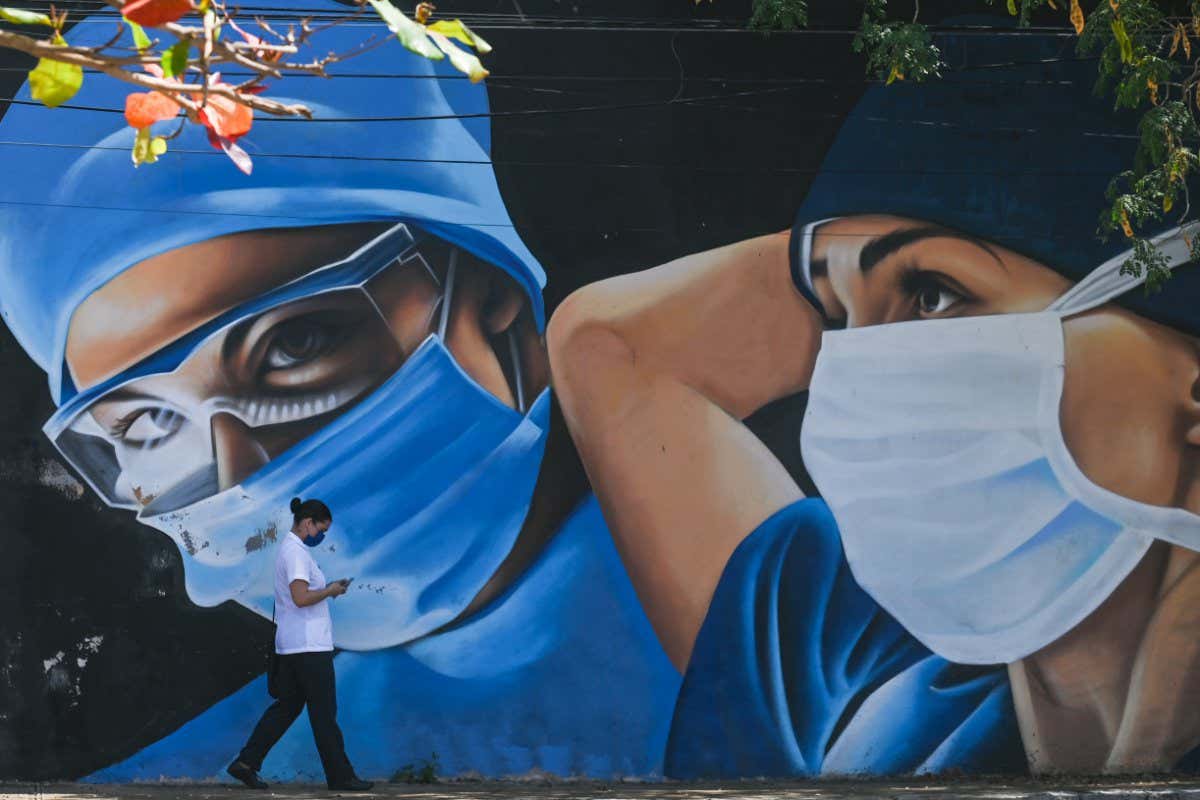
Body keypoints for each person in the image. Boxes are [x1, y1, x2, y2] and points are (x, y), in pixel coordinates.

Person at [0, 0, 676, 782]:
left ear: (499, 309)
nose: (243, 469)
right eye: (148, 425)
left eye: (296, 343)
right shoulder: (167, 777)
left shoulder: (772, 598)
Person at [549, 19, 1200, 777]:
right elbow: (604, 343)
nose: (862, 368)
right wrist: (869, 241)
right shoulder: (832, 636)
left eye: (932, 295)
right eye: (834, 315)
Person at [227, 497, 371, 792]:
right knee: (324, 713)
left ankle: (246, 761)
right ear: (308, 523)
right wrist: (330, 590)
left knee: (287, 707)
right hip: (308, 647)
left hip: (293, 645)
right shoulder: (295, 554)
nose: (322, 536)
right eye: (321, 529)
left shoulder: (294, 551)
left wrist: (328, 589)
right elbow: (301, 597)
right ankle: (341, 776)